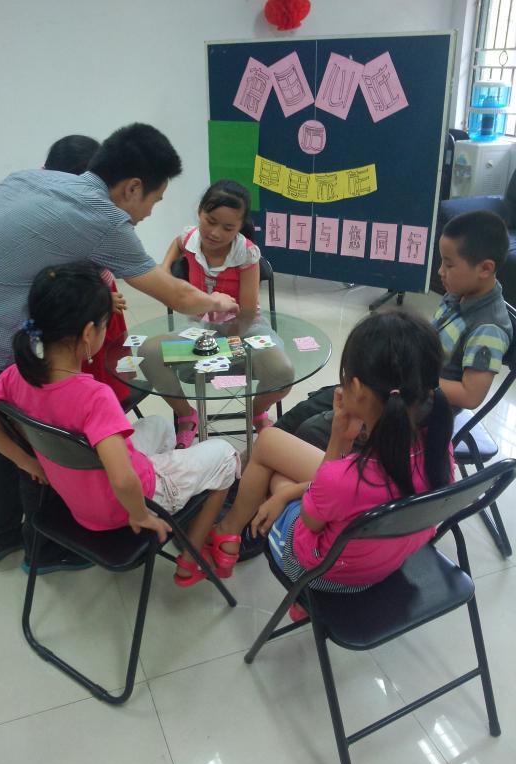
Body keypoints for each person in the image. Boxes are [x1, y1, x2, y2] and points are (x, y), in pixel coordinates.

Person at [0, 123, 240, 570]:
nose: (149, 213)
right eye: (155, 200)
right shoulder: (103, 219)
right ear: (132, 188)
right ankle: (44, 549)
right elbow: (177, 294)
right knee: (40, 444)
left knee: (11, 434)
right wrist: (219, 301)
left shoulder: (30, 179)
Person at [0, 264, 239, 581]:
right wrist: (140, 515)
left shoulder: (16, 375)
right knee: (227, 454)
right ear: (87, 333)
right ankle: (191, 555)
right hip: (121, 507)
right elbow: (122, 480)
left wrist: (26, 462)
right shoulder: (95, 397)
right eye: (106, 325)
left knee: (160, 426)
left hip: (77, 497)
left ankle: (177, 482)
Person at [204, 311, 454, 611]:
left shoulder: (343, 479)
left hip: (323, 574)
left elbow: (314, 515)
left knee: (275, 471)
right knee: (271, 443)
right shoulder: (440, 449)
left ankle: (227, 534)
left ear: (357, 390)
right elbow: (350, 488)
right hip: (387, 561)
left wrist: (336, 441)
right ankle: (234, 530)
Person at [275, 210, 513, 449]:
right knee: (308, 409)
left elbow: (470, 396)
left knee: (311, 431)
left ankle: (290, 461)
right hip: (396, 387)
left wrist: (410, 379)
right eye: (442, 261)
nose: (440, 271)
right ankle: (262, 456)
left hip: (414, 413)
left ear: (485, 269)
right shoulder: (459, 294)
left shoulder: (489, 328)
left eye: (449, 264)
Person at [141, 179, 294, 447]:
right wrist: (164, 269)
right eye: (210, 221)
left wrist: (230, 341)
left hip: (245, 327)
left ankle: (257, 410)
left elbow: (247, 312)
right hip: (201, 325)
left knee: (282, 372)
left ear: (240, 226)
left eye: (228, 228)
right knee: (148, 353)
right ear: (200, 211)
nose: (215, 233)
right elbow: (178, 243)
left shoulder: (247, 254)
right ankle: (186, 415)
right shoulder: (190, 238)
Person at [43, 134, 131, 403]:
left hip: (102, 294)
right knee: (92, 372)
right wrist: (99, 300)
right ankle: (101, 410)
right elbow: (60, 276)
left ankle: (115, 402)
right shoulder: (50, 219)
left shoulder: (90, 206)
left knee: (115, 363)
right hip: (84, 304)